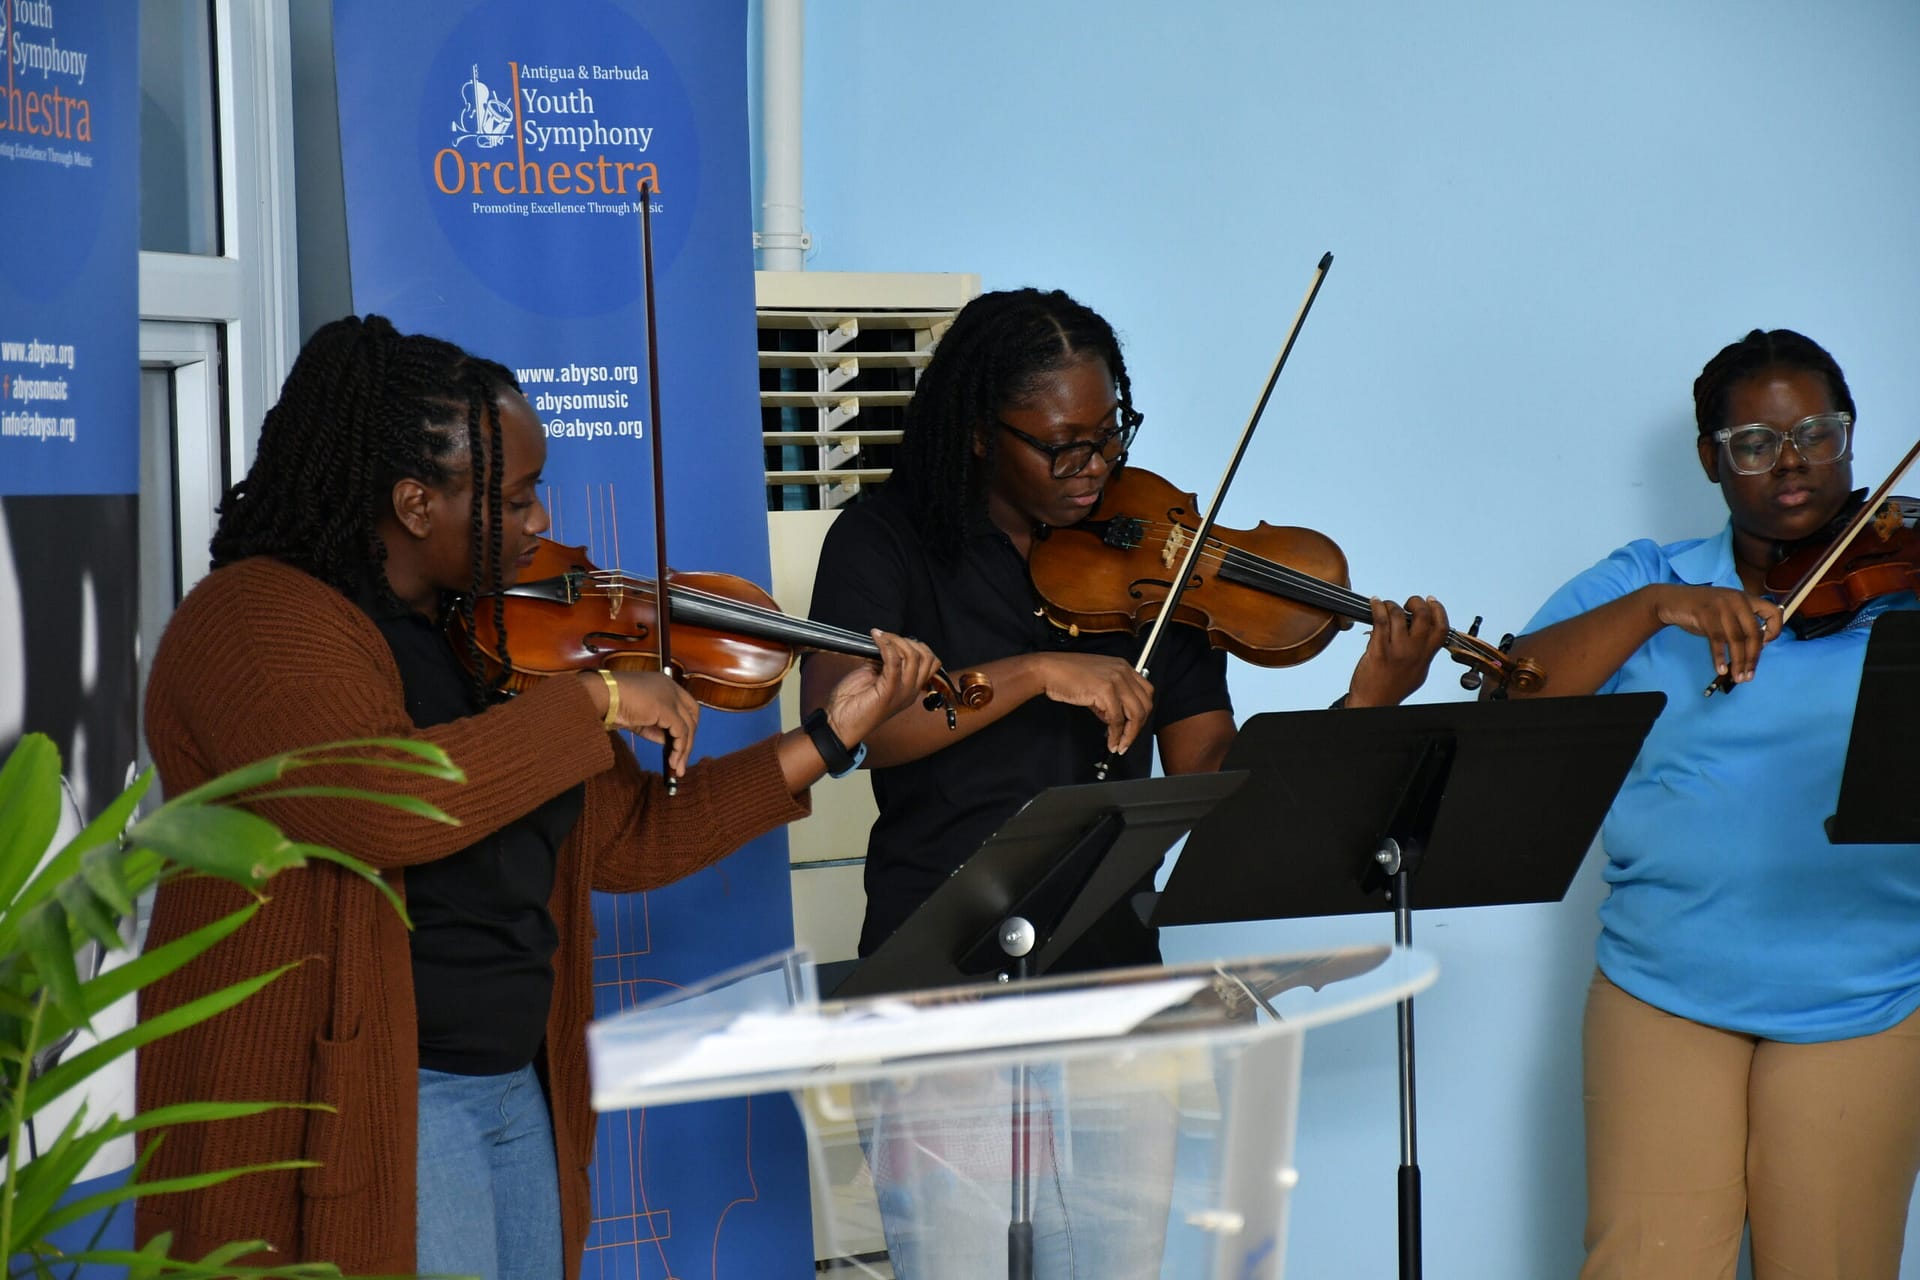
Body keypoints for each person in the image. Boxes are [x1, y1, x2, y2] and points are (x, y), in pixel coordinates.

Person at [135, 315, 940, 1280]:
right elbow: (382, 801)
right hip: (373, 1096)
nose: (541, 524)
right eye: (514, 500)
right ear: (416, 502)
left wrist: (828, 736)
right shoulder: (258, 621)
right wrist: (594, 701)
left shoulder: (485, 639)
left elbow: (629, 838)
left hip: (513, 1087)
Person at [800, 287, 1450, 1277]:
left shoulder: (1154, 556)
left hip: (1114, 988)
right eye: (1062, 446)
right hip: (936, 983)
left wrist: (1369, 701)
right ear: (981, 434)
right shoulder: (886, 542)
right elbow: (857, 728)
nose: (1096, 467)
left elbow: (1221, 787)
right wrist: (1031, 673)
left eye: (1108, 435)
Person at [1505, 328, 1920, 1279]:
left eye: (1818, 433)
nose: (1793, 464)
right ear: (1710, 459)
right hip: (1667, 987)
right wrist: (1659, 609)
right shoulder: (1647, 576)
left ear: (1851, 440)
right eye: (1755, 443)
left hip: (1869, 988)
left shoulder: (1904, 574)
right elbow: (1512, 699)